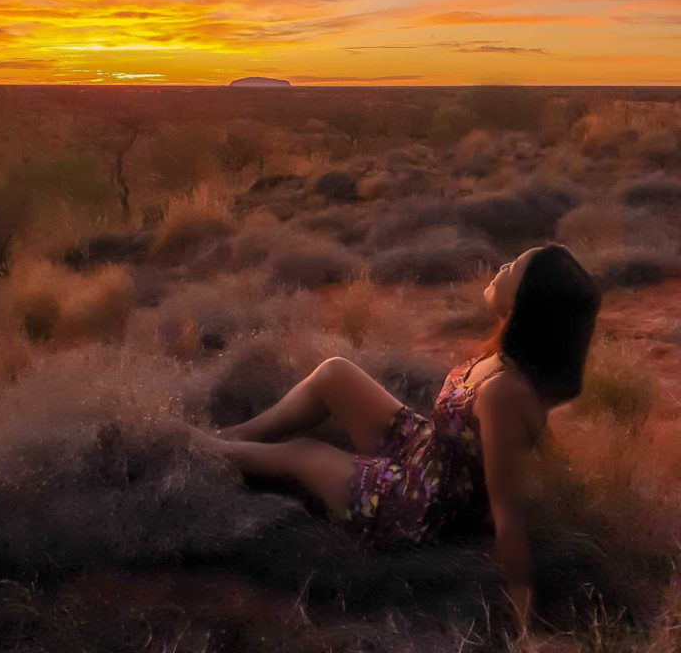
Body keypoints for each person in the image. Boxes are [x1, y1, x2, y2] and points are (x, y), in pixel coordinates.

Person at [199, 242, 601, 645]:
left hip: (421, 505)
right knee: (335, 373)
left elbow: (508, 515)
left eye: (515, 267)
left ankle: (191, 452)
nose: (502, 266)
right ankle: (232, 438)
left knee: (303, 454)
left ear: (526, 302)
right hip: (425, 453)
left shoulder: (505, 394)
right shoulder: (503, 359)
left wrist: (524, 624)